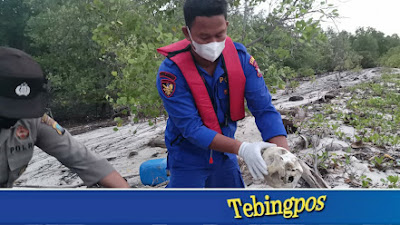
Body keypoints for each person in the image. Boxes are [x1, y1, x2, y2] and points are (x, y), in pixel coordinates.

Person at [156, 0, 290, 188]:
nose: (213, 43)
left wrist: (284, 155)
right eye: (204, 37)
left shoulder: (241, 59)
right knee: (185, 215)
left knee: (235, 213)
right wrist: (242, 149)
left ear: (226, 26)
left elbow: (264, 109)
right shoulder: (171, 73)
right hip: (187, 158)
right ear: (187, 33)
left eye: (220, 35)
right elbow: (191, 129)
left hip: (225, 156)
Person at [0, 47, 130, 188]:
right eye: (9, 107)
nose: (17, 116)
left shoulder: (31, 119)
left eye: (24, 106)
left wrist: (130, 199)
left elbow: (83, 159)